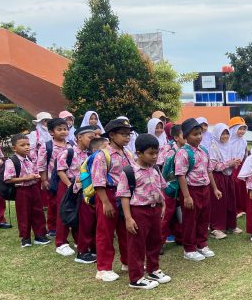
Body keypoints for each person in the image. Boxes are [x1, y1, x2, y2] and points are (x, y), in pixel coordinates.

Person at [117, 133, 171, 289]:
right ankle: (136, 278)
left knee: (155, 241)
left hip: (155, 210)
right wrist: (128, 218)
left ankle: (153, 269)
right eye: (151, 153)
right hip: (138, 212)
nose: (155, 157)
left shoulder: (155, 169)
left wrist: (163, 205)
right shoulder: (129, 172)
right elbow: (124, 195)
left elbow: (161, 188)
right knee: (137, 245)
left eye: (156, 153)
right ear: (139, 153)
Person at [92, 118, 135, 282]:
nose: (127, 138)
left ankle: (127, 261)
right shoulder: (103, 155)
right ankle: (103, 268)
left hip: (124, 196)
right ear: (111, 135)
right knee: (105, 232)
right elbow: (98, 181)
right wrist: (105, 202)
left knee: (126, 230)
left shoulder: (128, 153)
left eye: (128, 135)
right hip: (108, 194)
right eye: (123, 134)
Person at [175, 118, 222, 262]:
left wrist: (214, 188)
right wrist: (187, 196)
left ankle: (202, 244)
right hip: (191, 190)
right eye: (195, 134)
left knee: (203, 218)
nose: (199, 137)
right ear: (186, 136)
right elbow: (180, 175)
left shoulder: (204, 151)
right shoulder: (183, 153)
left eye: (200, 133)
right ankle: (189, 249)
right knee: (190, 219)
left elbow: (209, 171)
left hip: (205, 189)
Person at [55, 125, 96, 263]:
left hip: (83, 187)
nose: (93, 140)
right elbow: (60, 170)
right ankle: (61, 242)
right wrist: (69, 186)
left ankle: (80, 241)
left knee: (81, 214)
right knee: (65, 211)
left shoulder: (89, 154)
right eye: (90, 137)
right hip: (68, 185)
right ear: (79, 137)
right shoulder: (69, 152)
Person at [2, 134, 48, 247]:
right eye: (22, 145)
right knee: (24, 214)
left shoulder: (31, 158)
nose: (27, 147)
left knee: (38, 212)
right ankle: (25, 238)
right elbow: (8, 179)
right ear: (14, 148)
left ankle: (40, 235)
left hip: (34, 188)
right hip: (22, 191)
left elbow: (35, 170)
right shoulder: (11, 161)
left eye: (28, 144)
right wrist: (26, 178)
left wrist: (36, 176)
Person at [37, 118, 73, 240]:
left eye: (65, 129)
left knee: (68, 202)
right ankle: (52, 227)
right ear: (52, 132)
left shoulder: (71, 144)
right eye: (59, 129)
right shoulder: (47, 146)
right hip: (54, 180)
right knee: (53, 204)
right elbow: (41, 165)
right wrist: (44, 180)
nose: (63, 132)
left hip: (69, 179)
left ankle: (68, 223)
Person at [208, 123, 241, 239]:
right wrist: (229, 163)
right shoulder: (212, 147)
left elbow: (232, 161)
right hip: (218, 178)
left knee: (230, 200)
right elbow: (213, 166)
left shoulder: (229, 145)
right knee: (218, 203)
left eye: (227, 133)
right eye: (223, 133)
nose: (225, 136)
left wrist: (234, 163)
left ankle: (230, 225)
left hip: (229, 176)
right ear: (217, 134)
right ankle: (216, 228)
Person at [159, 124, 185, 245]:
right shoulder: (169, 150)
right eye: (184, 135)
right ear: (176, 137)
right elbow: (163, 170)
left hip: (183, 188)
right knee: (166, 215)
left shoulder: (187, 149)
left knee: (180, 215)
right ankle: (159, 243)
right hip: (170, 188)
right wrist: (166, 186)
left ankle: (180, 237)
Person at [228, 117, 248, 216]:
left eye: (244, 129)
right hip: (231, 167)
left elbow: (245, 154)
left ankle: (243, 207)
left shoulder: (243, 141)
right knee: (233, 187)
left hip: (241, 166)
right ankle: (234, 208)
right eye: (240, 128)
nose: (242, 131)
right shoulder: (228, 141)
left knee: (241, 186)